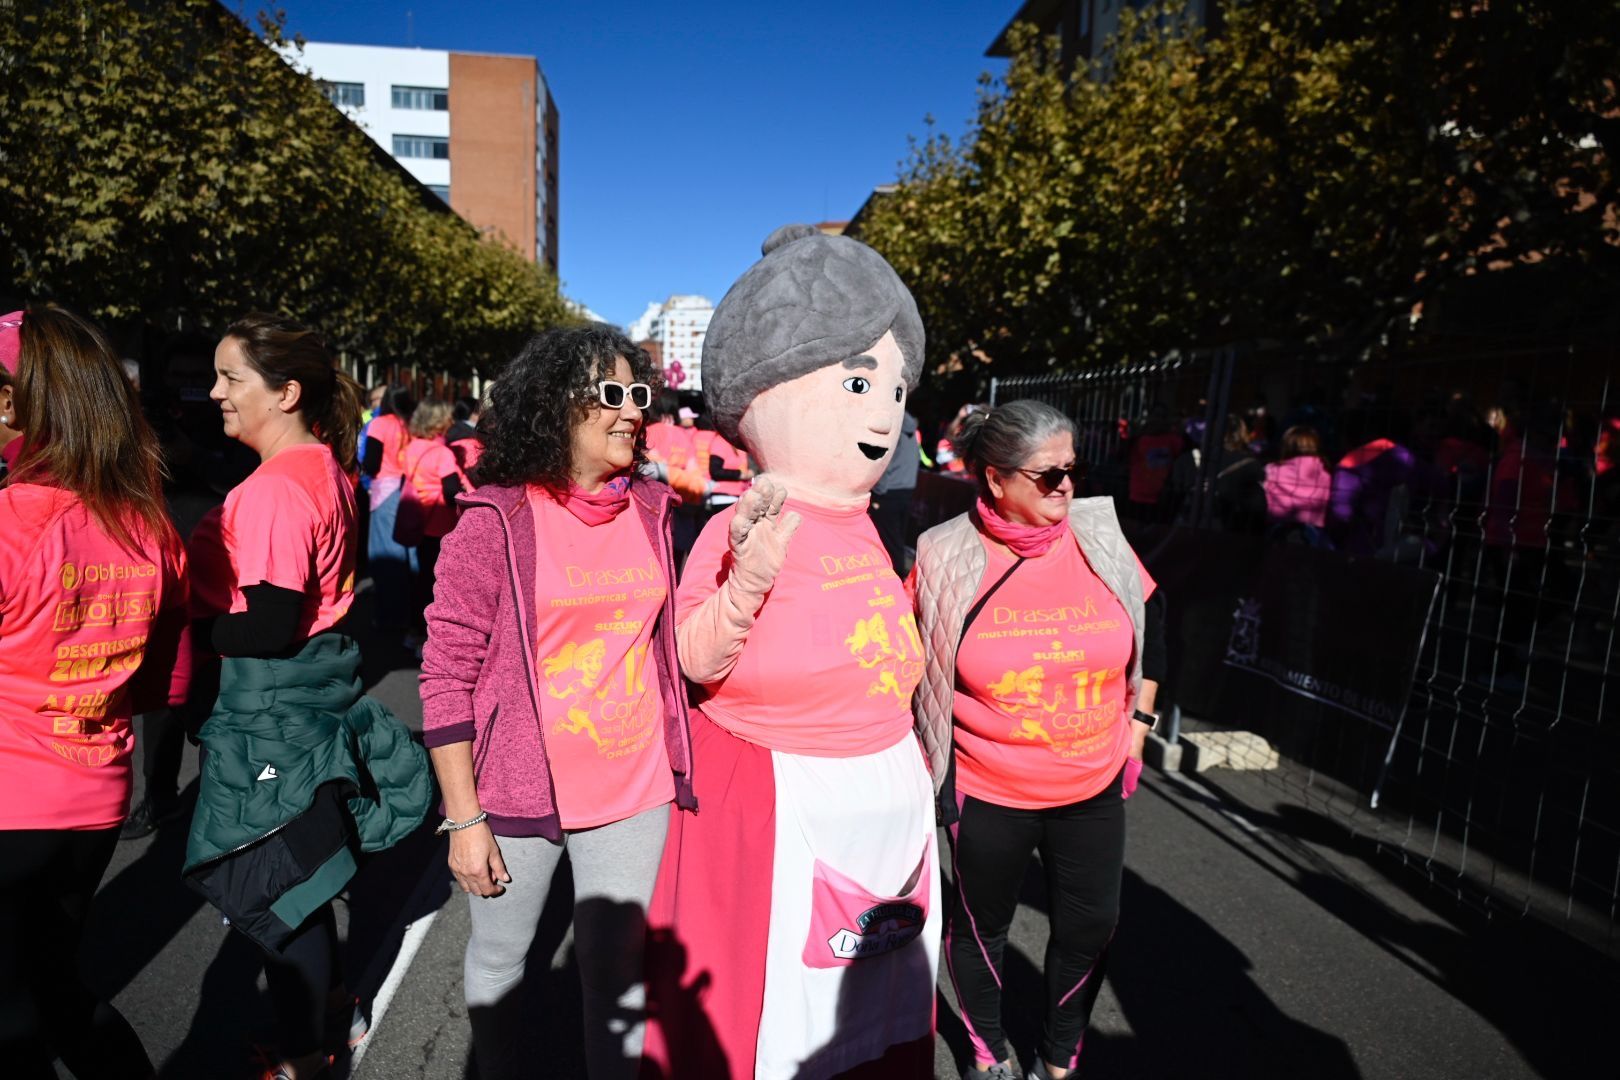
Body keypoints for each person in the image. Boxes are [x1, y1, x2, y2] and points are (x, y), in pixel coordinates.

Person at [643, 225, 939, 1079]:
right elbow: (696, 656)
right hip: (779, 800)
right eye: (856, 381)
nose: (883, 411)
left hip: (883, 804)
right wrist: (742, 584)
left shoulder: (870, 524)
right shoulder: (743, 521)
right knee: (783, 1017)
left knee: (874, 1016)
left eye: (892, 384)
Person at [419, 324, 696, 1080]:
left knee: (617, 974)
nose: (633, 411)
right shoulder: (494, 519)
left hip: (633, 786)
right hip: (517, 788)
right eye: (610, 394)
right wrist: (464, 818)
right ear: (554, 406)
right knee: (503, 960)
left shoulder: (652, 506)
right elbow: (445, 673)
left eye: (639, 394)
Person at [181, 314, 432, 1080]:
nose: (215, 392)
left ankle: (301, 1060)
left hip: (273, 711)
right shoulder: (324, 467)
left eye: (232, 378)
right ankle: (323, 1022)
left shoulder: (275, 490)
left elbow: (268, 623)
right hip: (309, 700)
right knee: (300, 870)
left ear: (285, 392)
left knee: (274, 892)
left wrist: (187, 630)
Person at [910, 398, 1166, 1080]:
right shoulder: (943, 554)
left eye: (1072, 470)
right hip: (988, 788)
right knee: (982, 933)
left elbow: (1153, 619)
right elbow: (903, 662)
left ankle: (1059, 1057)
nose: (1066, 487)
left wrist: (1138, 730)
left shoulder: (1099, 534)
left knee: (1091, 927)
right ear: (995, 479)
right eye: (1047, 475)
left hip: (1093, 782)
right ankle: (990, 1054)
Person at [0, 303, 191, 1078]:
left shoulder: (16, 520)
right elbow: (163, 677)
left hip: (14, 796)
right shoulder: (148, 521)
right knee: (50, 985)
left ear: (17, 402)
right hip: (96, 794)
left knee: (13, 1016)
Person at [398, 397, 465, 653]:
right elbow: (450, 493)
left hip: (421, 521)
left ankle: (413, 632)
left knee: (422, 581)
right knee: (438, 586)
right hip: (442, 525)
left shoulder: (413, 446)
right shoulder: (443, 454)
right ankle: (430, 640)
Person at [361, 383, 416, 635]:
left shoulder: (380, 424)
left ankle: (388, 616)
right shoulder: (412, 425)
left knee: (385, 556)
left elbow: (371, 462)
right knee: (409, 557)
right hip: (411, 490)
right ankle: (410, 614)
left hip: (385, 491)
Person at [871, 408, 923, 572]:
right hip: (905, 490)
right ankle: (898, 576)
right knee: (897, 539)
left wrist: (878, 490)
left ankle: (895, 578)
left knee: (888, 542)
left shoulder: (893, 427)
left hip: (888, 492)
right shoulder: (910, 429)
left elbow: (883, 461)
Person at [1262, 424, 1333, 540]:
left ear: (1286, 446)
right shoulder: (1326, 474)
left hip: (1277, 534)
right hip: (1314, 536)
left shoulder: (1271, 470)